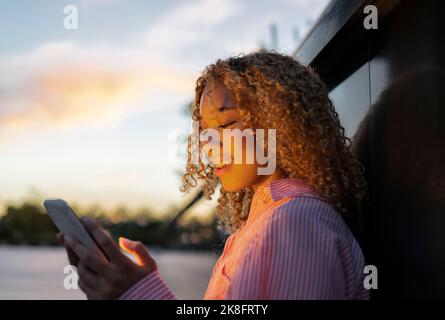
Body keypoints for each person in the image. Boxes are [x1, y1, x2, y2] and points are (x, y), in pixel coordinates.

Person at [57, 50, 369, 300]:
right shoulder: (272, 221)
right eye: (205, 132)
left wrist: (136, 294)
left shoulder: (293, 222)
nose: (210, 145)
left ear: (279, 123)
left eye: (226, 124)